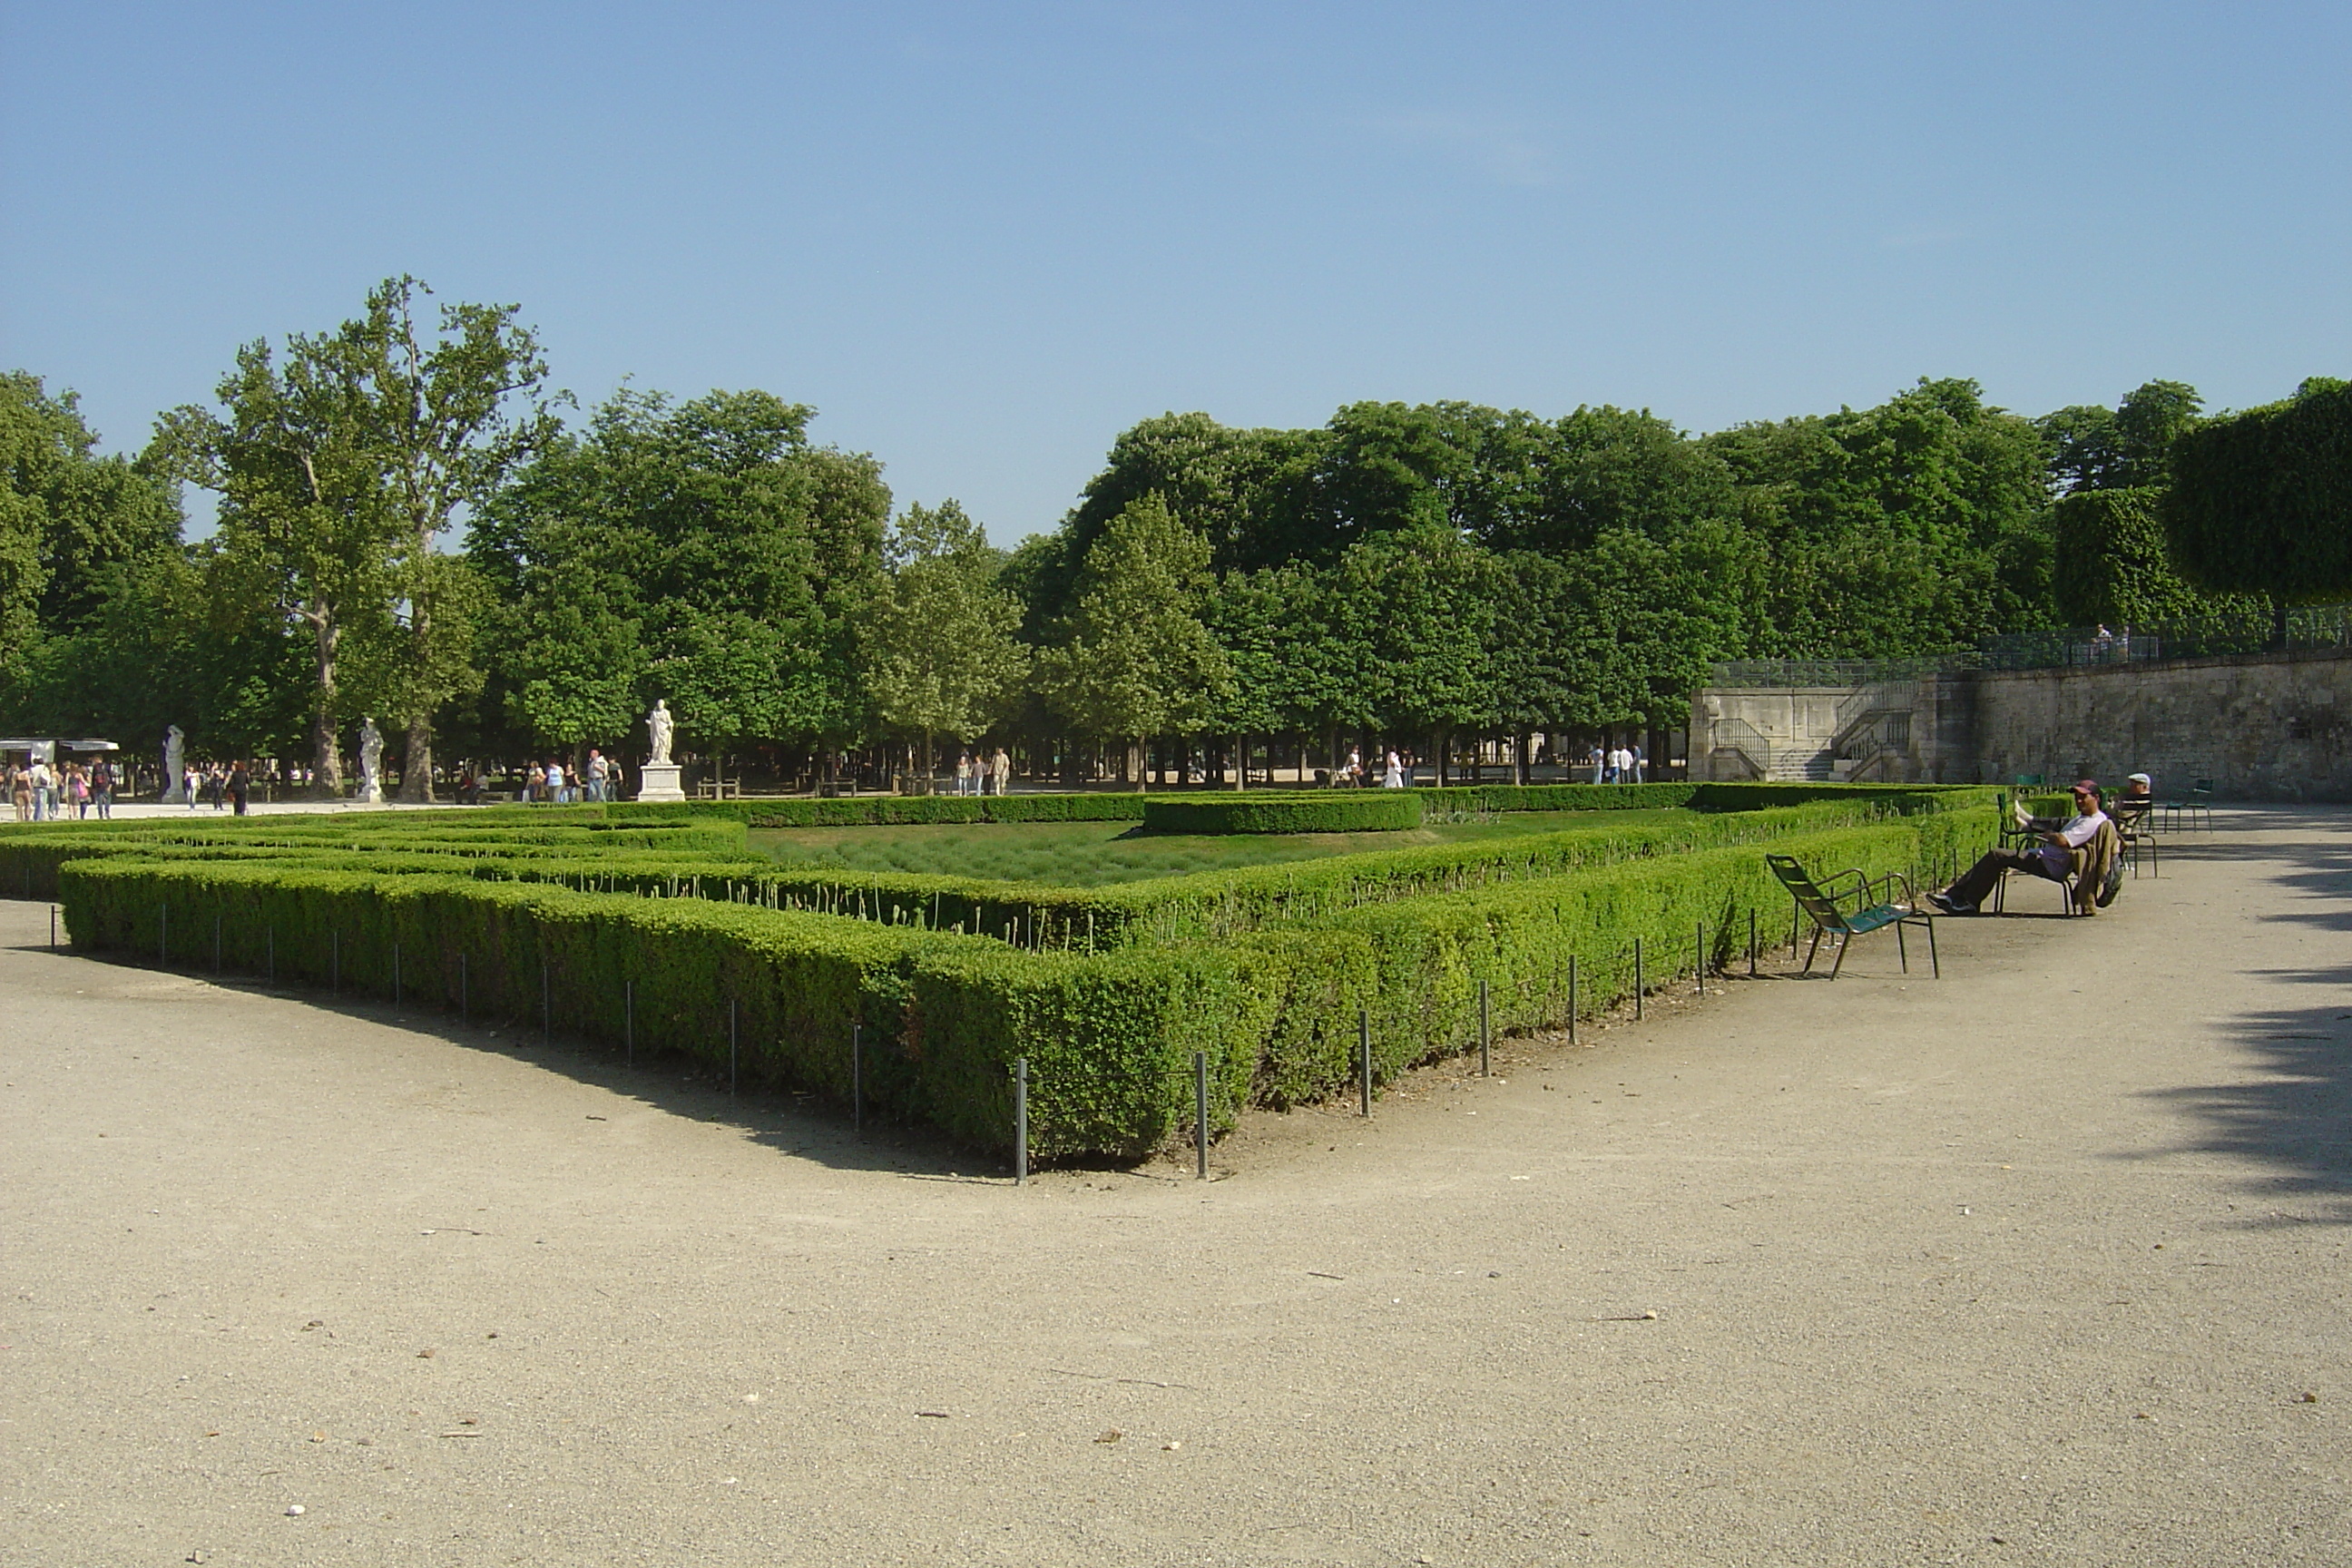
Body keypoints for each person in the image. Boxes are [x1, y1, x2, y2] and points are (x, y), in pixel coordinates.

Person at [1931, 780, 2111, 915]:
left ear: (2096, 798)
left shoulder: (2092, 822)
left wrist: (2050, 835)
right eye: (2076, 797)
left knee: (1997, 855)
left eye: (2083, 797)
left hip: (2051, 864)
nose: (2079, 801)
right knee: (1996, 857)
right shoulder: (2084, 817)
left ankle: (1967, 901)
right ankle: (1958, 896)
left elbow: (2064, 841)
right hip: (2046, 857)